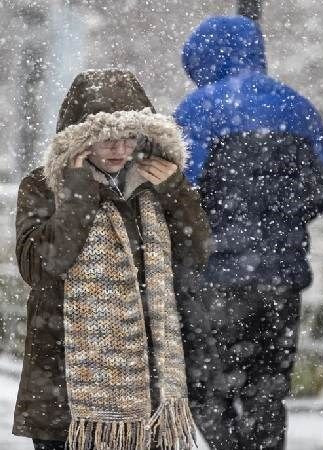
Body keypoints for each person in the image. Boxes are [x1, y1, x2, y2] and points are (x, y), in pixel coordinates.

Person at [12, 68, 210, 450]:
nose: (120, 149)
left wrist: (175, 191)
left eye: (129, 137)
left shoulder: (154, 186)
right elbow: (42, 265)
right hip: (64, 394)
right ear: (80, 141)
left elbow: (197, 252)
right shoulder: (42, 187)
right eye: (106, 139)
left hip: (146, 395)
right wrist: (78, 192)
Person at [175, 16, 323, 450]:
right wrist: (276, 227)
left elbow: (179, 193)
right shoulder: (299, 109)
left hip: (214, 279)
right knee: (267, 393)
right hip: (282, 276)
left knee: (207, 388)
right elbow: (322, 192)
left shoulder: (198, 110)